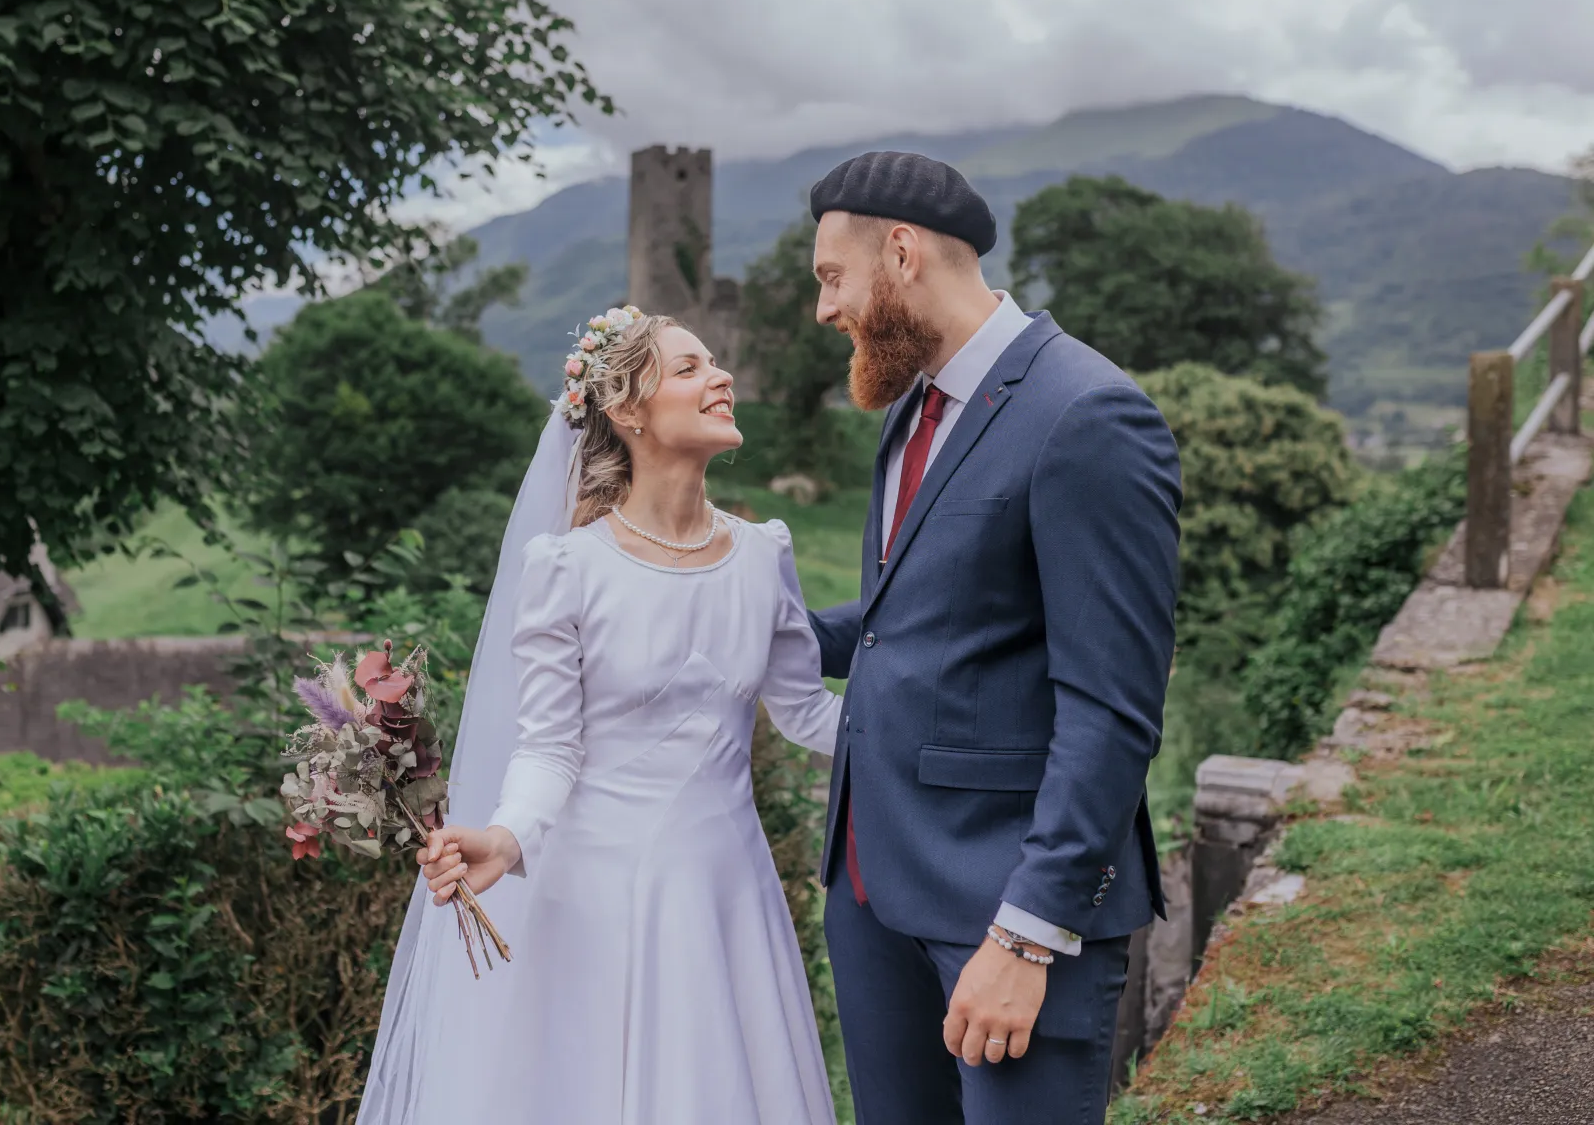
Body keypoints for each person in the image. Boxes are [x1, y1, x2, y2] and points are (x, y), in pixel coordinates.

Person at [356, 307, 841, 1124]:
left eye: (715, 361)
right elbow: (548, 748)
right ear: (628, 411)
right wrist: (504, 838)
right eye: (691, 368)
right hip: (596, 903)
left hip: (728, 895)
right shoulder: (568, 569)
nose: (721, 377)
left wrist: (951, 732)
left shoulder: (766, 556)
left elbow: (809, 715)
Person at [805, 151, 1182, 1124]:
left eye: (829, 276)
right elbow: (905, 624)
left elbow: (1112, 709)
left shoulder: (1087, 413)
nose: (823, 308)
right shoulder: (915, 405)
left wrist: (1026, 934)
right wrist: (724, 628)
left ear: (900, 252)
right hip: (872, 886)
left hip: (1006, 904)